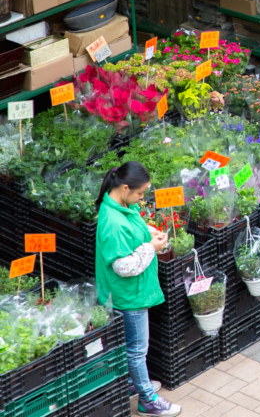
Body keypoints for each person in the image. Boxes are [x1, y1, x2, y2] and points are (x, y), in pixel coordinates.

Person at [95, 162, 182, 417]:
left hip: (134, 291)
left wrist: (151, 233)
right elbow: (123, 266)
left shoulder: (122, 204)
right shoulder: (112, 222)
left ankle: (135, 383)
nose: (142, 198)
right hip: (128, 295)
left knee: (134, 348)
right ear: (125, 188)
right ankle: (147, 400)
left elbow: (135, 230)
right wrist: (151, 247)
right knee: (136, 350)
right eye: (140, 193)